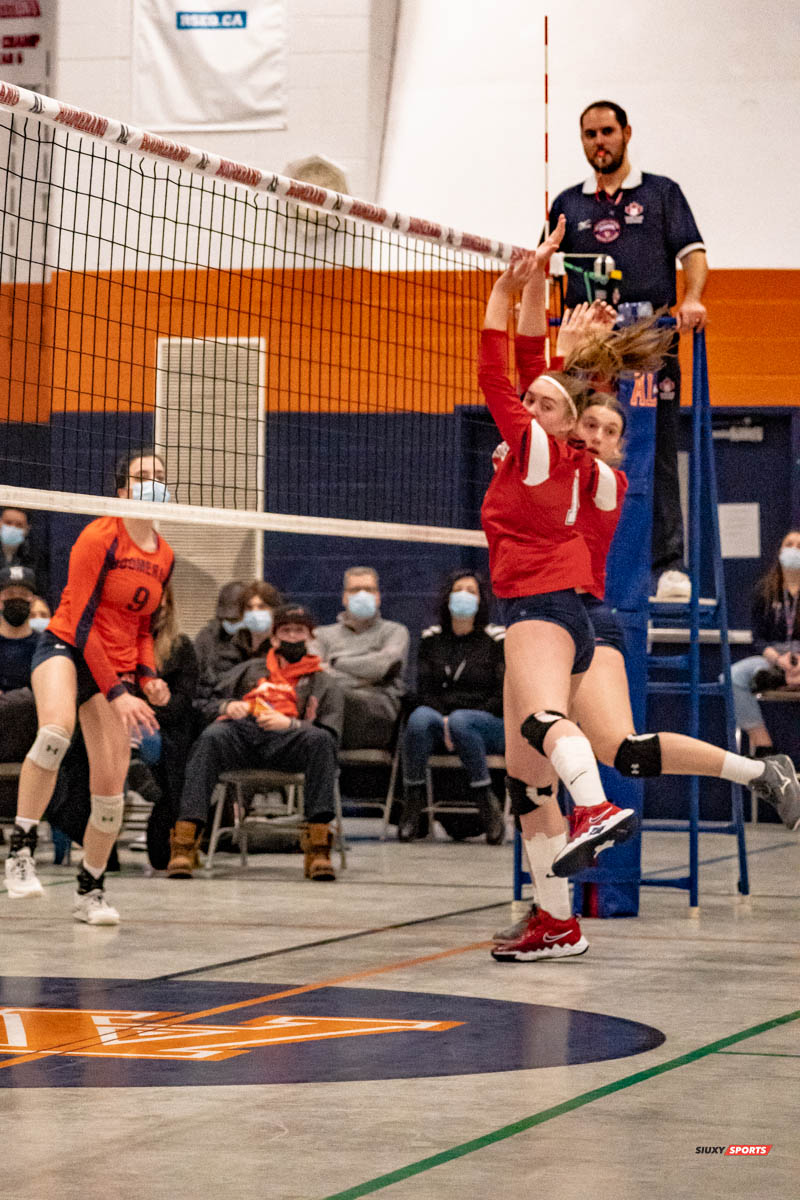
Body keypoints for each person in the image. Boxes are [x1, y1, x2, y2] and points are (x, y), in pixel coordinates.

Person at [494, 393, 800, 961]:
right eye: (590, 422)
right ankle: (761, 771)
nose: (597, 433)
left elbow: (544, 431)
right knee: (567, 772)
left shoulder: (597, 481)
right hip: (559, 613)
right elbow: (549, 417)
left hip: (567, 615)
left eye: (610, 429)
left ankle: (564, 899)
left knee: (556, 740)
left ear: (618, 447)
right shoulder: (554, 461)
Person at [479, 220, 638, 911]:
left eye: (542, 402)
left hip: (543, 605)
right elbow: (531, 372)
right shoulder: (555, 448)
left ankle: (596, 810)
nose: (528, 400)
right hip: (543, 604)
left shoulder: (542, 449)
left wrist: (504, 289)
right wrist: (540, 282)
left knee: (546, 722)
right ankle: (554, 919)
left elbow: (498, 369)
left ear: (559, 420)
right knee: (524, 779)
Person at [2, 448, 175, 923]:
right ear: (122, 491)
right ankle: (19, 850)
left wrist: (148, 677)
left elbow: (142, 628)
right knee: (55, 733)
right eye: (143, 477)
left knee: (110, 792)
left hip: (114, 673)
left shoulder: (164, 554)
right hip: (65, 650)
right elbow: (80, 625)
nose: (154, 484)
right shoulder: (99, 536)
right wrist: (119, 694)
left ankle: (90, 888)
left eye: (160, 476)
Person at [548, 99, 708, 602]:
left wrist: (693, 298)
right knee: (577, 443)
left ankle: (669, 564)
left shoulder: (662, 194)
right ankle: (572, 550)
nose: (599, 141)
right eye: (590, 134)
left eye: (607, 131)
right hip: (587, 345)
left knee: (656, 448)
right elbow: (545, 266)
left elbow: (694, 256)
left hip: (647, 343)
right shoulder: (568, 203)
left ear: (626, 134)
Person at [167, 604, 345, 881]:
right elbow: (203, 701)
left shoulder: (325, 682)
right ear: (274, 638)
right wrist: (227, 706)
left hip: (292, 743)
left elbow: (332, 733)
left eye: (300, 631)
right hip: (247, 737)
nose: (293, 637)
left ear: (311, 638)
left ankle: (318, 849)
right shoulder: (249, 671)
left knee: (320, 740)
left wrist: (292, 724)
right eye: (286, 630)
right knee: (212, 737)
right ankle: (185, 843)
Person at [400, 570, 506, 844]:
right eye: (458, 589)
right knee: (420, 718)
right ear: (447, 597)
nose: (463, 595)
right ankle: (414, 808)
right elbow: (425, 691)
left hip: (488, 723)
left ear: (481, 601)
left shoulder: (496, 639)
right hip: (442, 720)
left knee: (461, 721)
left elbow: (500, 697)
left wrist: (455, 715)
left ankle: (488, 808)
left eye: (471, 591)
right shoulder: (431, 638)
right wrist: (446, 718)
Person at [128, 583, 200, 870]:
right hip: (119, 720)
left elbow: (183, 701)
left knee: (173, 755)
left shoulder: (181, 647)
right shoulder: (119, 643)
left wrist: (149, 710)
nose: (156, 610)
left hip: (164, 725)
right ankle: (133, 761)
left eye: (161, 603)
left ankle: (138, 764)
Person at [314, 567, 409, 750]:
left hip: (378, 716)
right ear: (344, 597)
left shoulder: (395, 631)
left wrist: (336, 662)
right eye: (355, 590)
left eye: (369, 589)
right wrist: (369, 678)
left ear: (378, 597)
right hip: (335, 712)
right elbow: (317, 675)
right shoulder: (321, 635)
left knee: (332, 700)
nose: (362, 594)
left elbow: (384, 667)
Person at [729, 531, 800, 758]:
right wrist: (779, 660)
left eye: (799, 546)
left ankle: (785, 678)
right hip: (773, 657)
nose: (794, 550)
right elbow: (758, 639)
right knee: (732, 677)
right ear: (780, 551)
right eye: (789, 544)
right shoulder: (765, 591)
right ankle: (763, 745)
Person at [193, 579, 282, 728]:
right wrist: (225, 707)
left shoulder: (282, 649)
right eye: (249, 608)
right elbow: (203, 694)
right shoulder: (221, 644)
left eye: (261, 607)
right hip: (222, 721)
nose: (255, 613)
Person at [0, 565, 40, 764]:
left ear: (32, 600)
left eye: (23, 594)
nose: (16, 599)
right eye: (10, 594)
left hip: (32, 730)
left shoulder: (46, 646)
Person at [193, 579, 246, 681]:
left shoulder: (252, 640)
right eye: (225, 619)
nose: (230, 623)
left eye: (235, 619)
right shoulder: (206, 638)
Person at [1, 507, 49, 606]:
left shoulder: (36, 555)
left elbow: (40, 591)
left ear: (27, 529)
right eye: (8, 523)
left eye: (19, 525)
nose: (13, 528)